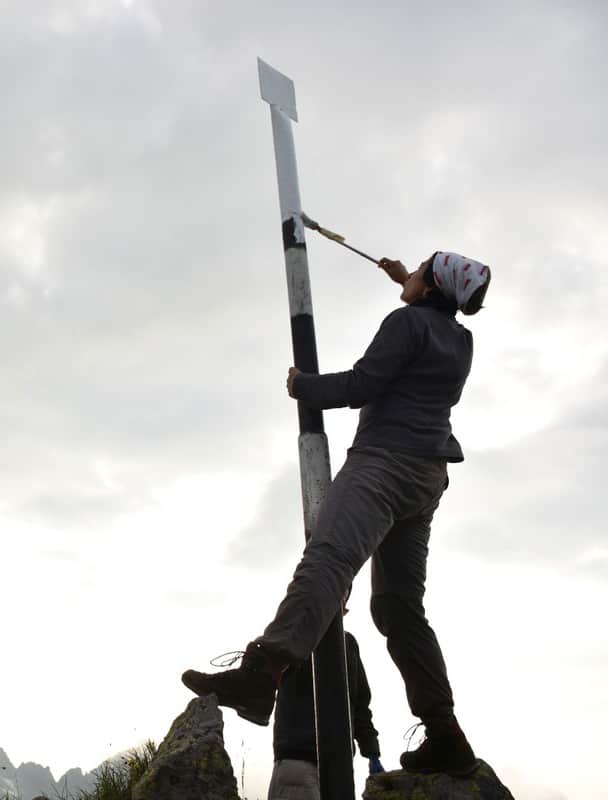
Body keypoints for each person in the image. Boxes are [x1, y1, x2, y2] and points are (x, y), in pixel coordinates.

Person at [182, 251, 491, 774]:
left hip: (384, 464)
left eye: (418, 270)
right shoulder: (458, 339)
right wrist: (406, 280)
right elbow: (428, 318)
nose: (408, 272)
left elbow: (361, 385)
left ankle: (263, 674)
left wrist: (304, 386)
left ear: (431, 288)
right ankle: (445, 731)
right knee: (398, 606)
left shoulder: (406, 322)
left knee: (329, 560)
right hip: (427, 476)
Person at [267, 607, 383, 800]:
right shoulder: (340, 644)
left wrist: (372, 752)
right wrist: (372, 753)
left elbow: (360, 705)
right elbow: (361, 706)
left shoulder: (342, 644)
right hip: (321, 768)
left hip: (317, 767)